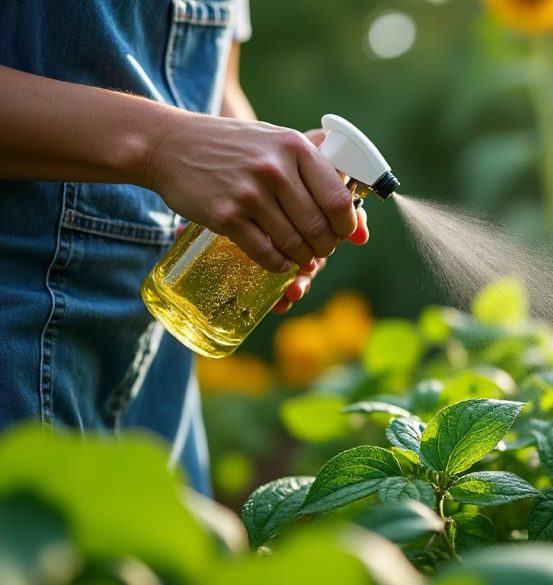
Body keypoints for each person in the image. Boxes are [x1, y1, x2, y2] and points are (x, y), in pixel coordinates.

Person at [0, 0, 367, 494]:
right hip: (17, 326)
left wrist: (272, 184)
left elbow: (215, 81)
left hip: (157, 367)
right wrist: (162, 147)